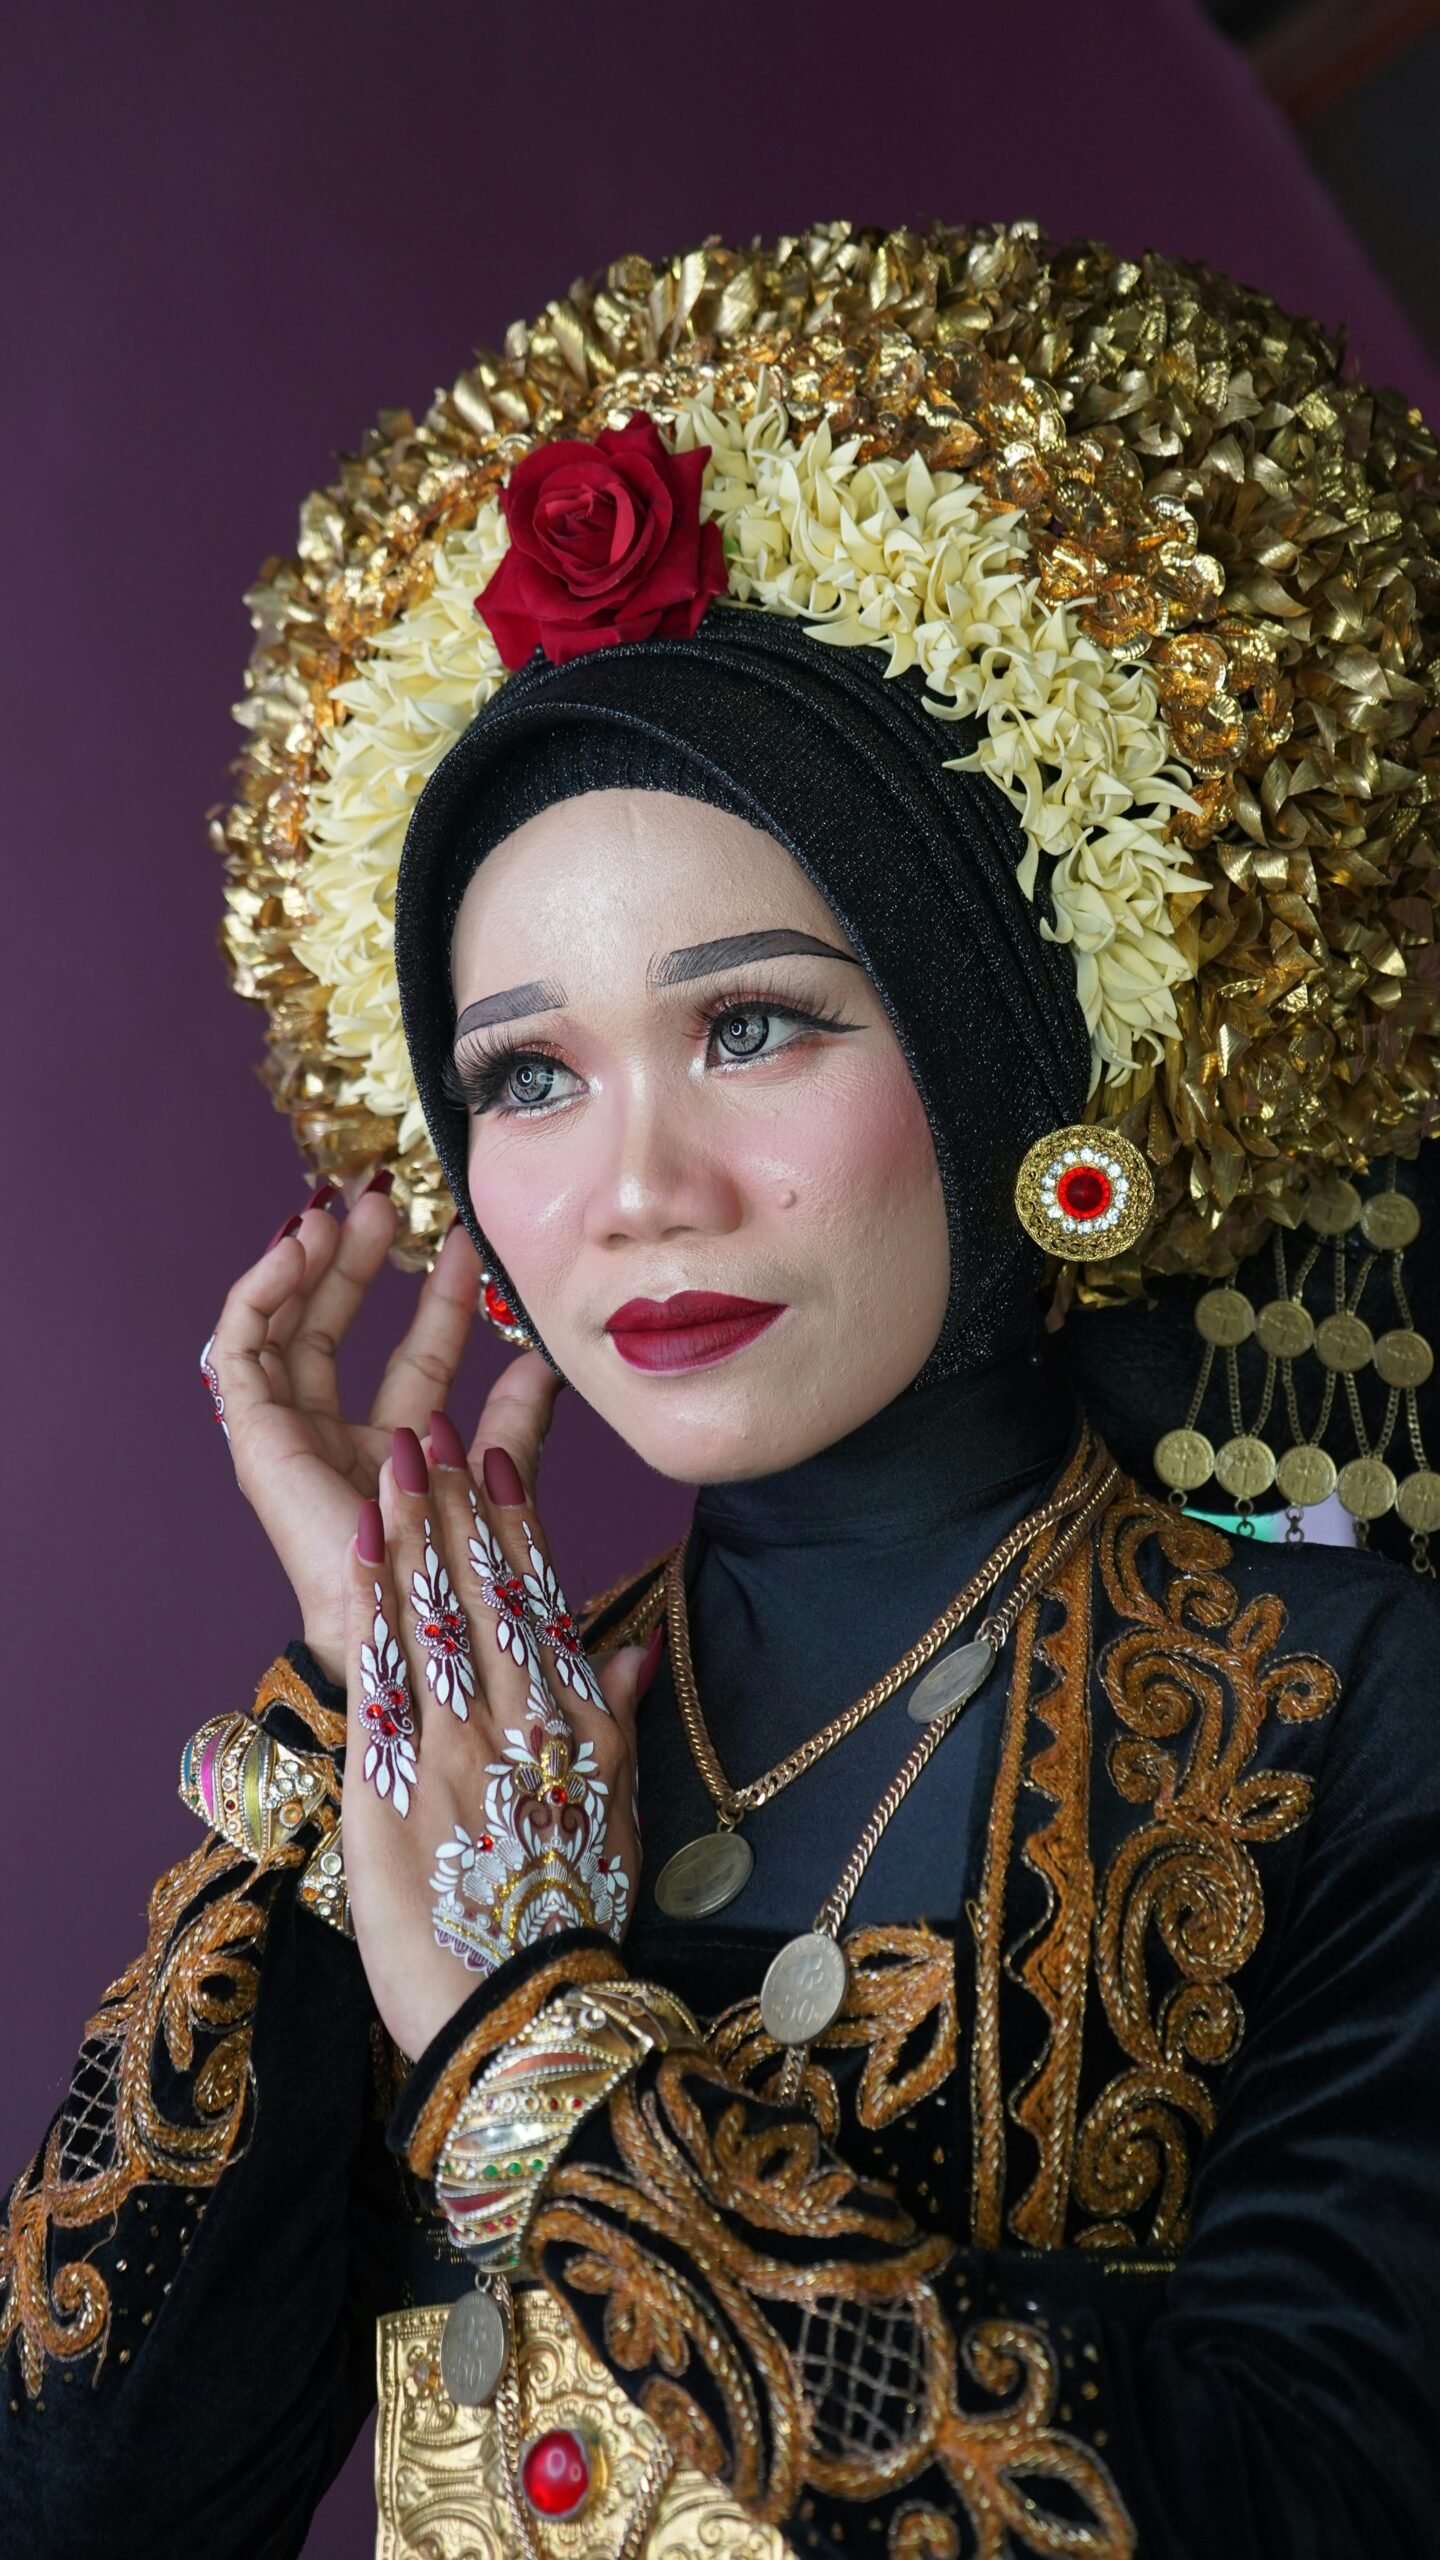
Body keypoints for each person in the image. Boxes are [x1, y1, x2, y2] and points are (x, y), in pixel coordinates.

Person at [3, 219, 1439, 2560]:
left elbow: (1295, 2507)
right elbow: (79, 2498)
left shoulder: (1345, 1714)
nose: (636, 1188)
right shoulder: (480, 1753)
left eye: (752, 1022)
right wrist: (352, 1708)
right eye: (531, 1077)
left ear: (1001, 1056)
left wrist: (540, 2055)